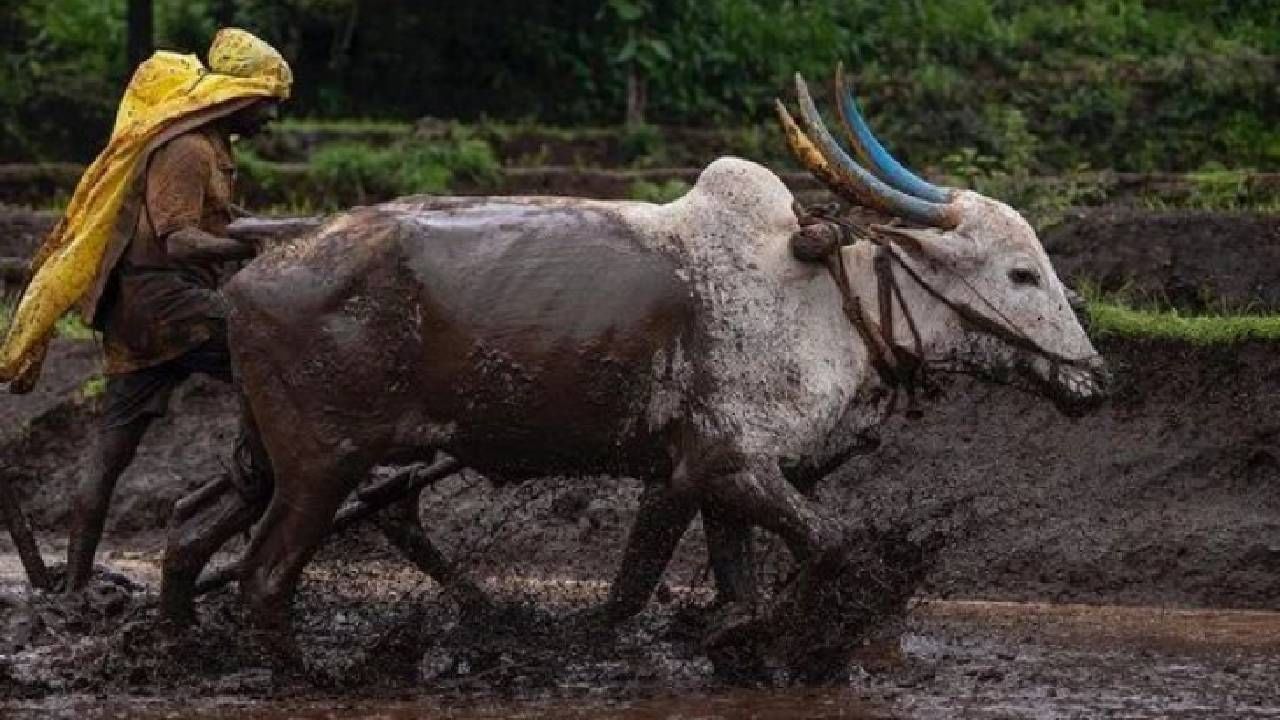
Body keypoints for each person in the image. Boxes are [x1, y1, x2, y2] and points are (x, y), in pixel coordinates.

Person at [51, 30, 293, 592]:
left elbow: (219, 219)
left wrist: (279, 230)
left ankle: (72, 587)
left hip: (145, 308)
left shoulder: (213, 145)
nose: (274, 117)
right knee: (280, 360)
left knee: (113, 448)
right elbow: (181, 239)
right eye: (270, 103)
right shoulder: (187, 148)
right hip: (164, 302)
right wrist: (257, 246)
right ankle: (257, 482)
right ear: (239, 97)